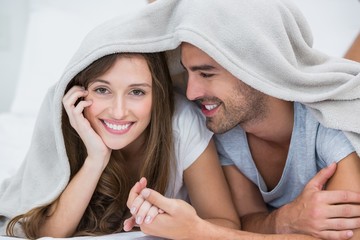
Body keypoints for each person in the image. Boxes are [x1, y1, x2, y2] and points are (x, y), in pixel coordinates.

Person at [123, 0, 360, 239]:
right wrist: (285, 219)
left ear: (256, 68)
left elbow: (349, 235)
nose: (191, 93)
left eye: (206, 73)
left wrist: (197, 231)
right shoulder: (226, 127)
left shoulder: (331, 122)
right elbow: (245, 221)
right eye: (189, 72)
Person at [1, 51, 240, 238]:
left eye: (136, 92)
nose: (118, 111)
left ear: (158, 96)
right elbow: (49, 234)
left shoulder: (182, 123)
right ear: (79, 94)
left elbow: (225, 223)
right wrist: (96, 159)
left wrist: (180, 228)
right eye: (102, 90)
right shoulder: (73, 122)